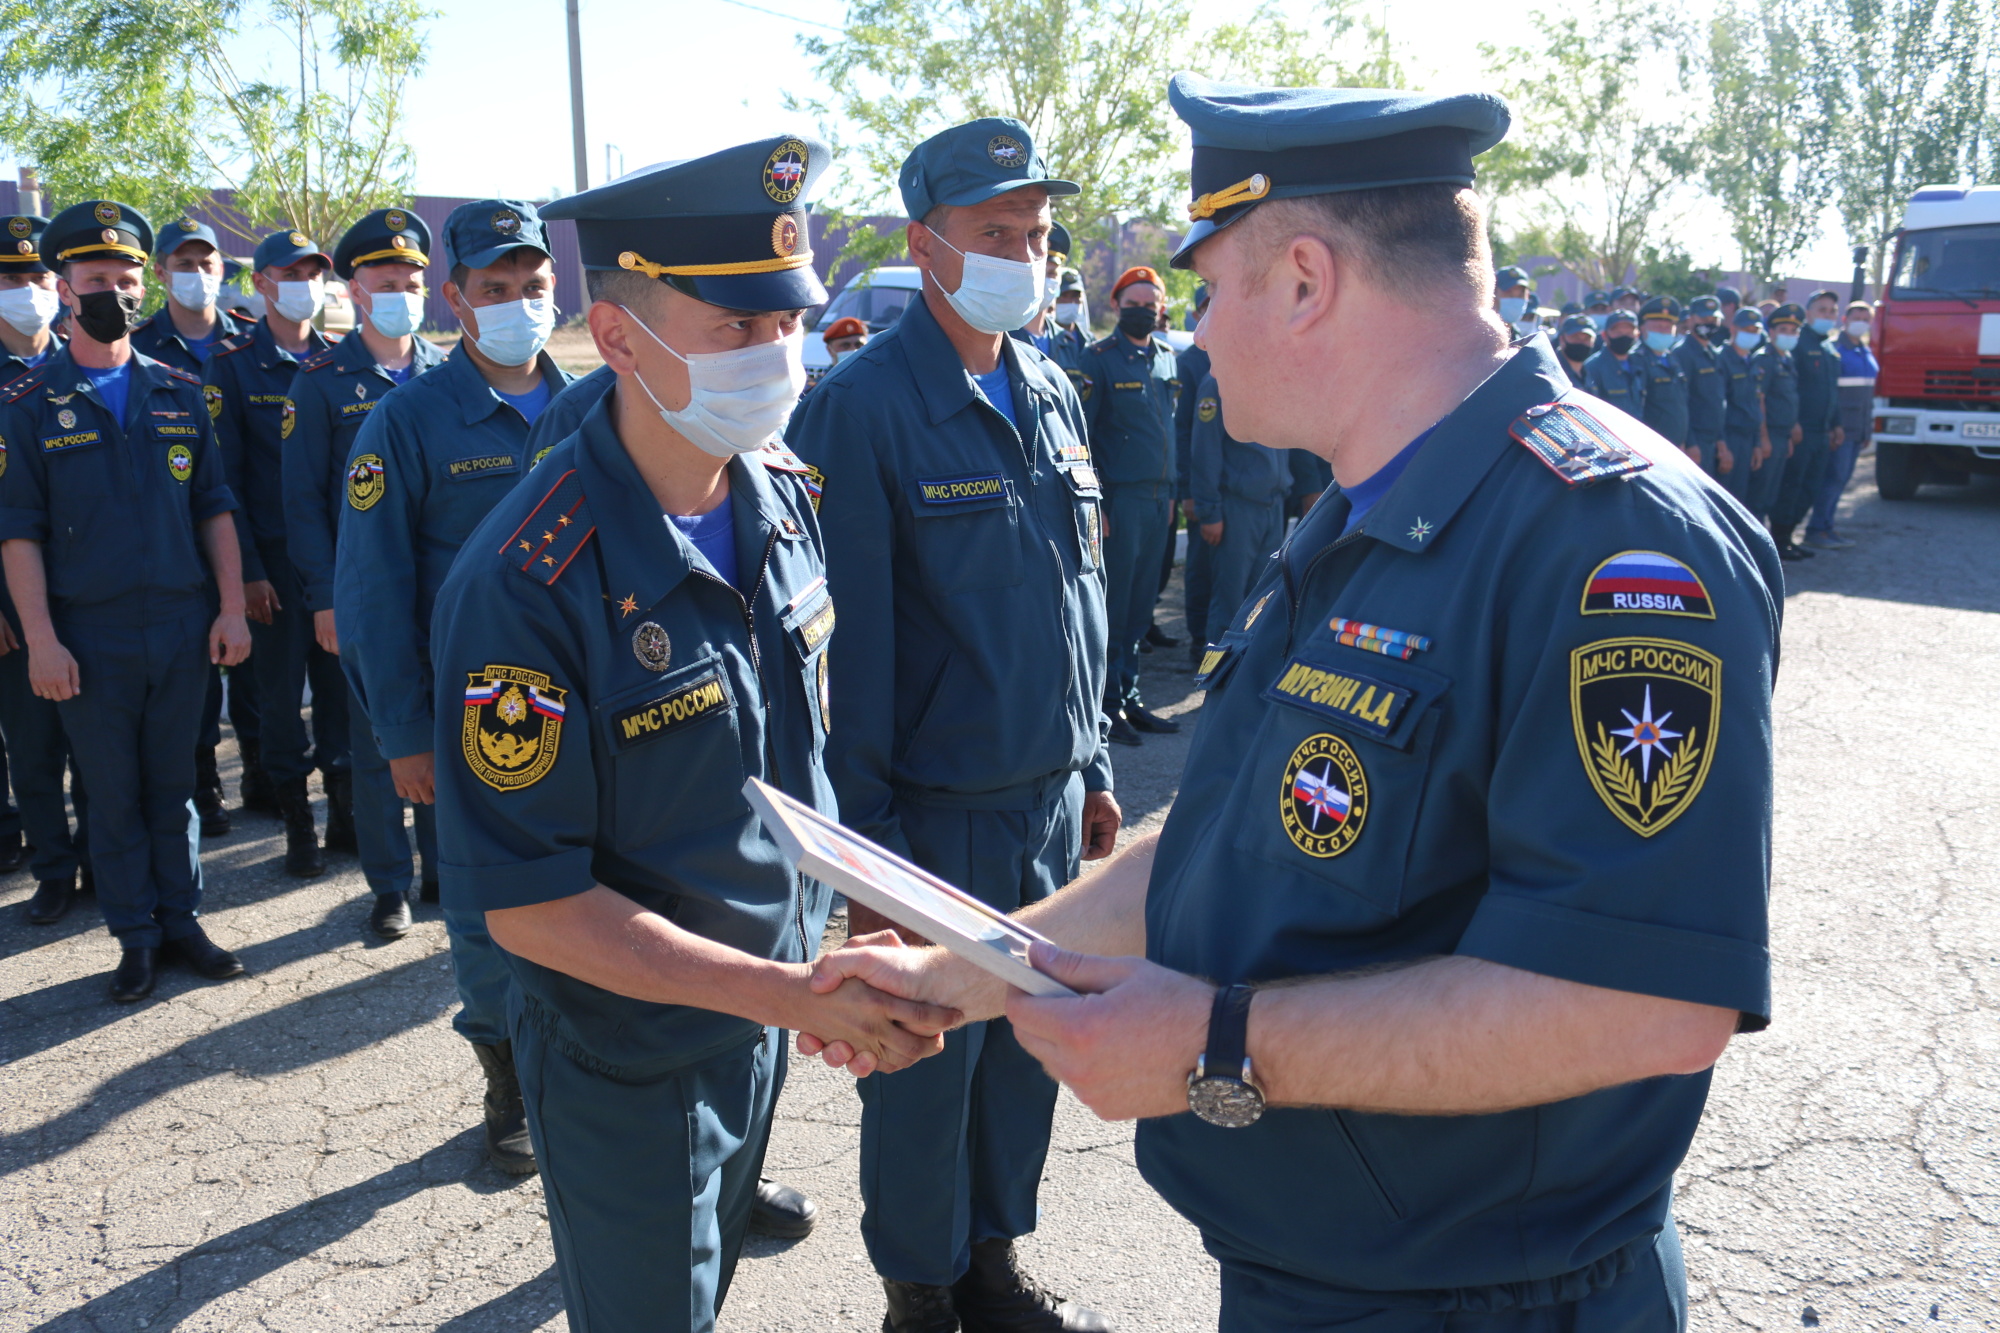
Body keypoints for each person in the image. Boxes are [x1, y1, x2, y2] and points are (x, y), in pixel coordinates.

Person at [802, 73, 1780, 1333]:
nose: (1192, 332)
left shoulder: (1610, 544)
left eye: (1210, 288)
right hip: (1320, 1276)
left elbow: (1650, 1001)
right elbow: (1221, 847)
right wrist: (964, 970)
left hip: (1485, 1300)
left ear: (1306, 279)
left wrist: (1219, 1045)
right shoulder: (1362, 513)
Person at [432, 135, 953, 1333]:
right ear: (618, 338)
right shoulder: (526, 580)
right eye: (735, 330)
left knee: (703, 1293)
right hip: (632, 1050)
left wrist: (860, 915)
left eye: (786, 323)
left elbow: (798, 758)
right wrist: (788, 993)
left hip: (763, 1018)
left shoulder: (777, 498)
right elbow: (531, 903)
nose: (777, 356)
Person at [785, 116, 1119, 1333]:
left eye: (1033, 234)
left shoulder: (1048, 387)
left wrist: (1089, 761)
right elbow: (846, 654)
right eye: (994, 233)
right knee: (923, 1068)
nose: (1022, 256)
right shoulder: (862, 405)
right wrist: (861, 857)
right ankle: (918, 1291)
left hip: (1039, 798)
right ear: (926, 245)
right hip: (927, 815)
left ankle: (992, 1264)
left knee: (1022, 1055)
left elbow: (1075, 600)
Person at [337, 200, 571, 1179]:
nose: (517, 304)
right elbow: (372, 585)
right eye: (495, 290)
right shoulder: (408, 419)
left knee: (606, 901)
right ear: (456, 299)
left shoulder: (596, 403)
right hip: (482, 723)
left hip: (598, 715)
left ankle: (596, 1082)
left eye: (533, 287)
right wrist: (402, 731)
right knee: (488, 916)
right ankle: (507, 1078)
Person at [0, 200, 254, 1002]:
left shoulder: (180, 389)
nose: (114, 289)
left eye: (126, 277)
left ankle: (182, 920)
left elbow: (215, 506)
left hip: (181, 626)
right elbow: (20, 535)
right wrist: (40, 638)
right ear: (66, 289)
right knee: (109, 792)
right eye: (96, 277)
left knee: (173, 784)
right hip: (90, 632)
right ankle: (136, 937)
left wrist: (231, 606)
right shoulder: (30, 405)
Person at [282, 209, 446, 898]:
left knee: (447, 732)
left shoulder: (447, 373)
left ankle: (445, 873)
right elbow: (303, 503)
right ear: (355, 290)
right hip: (367, 596)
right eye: (388, 280)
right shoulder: (319, 381)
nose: (404, 291)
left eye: (413, 279)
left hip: (440, 591)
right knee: (380, 740)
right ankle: (388, 887)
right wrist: (325, 596)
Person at [207, 229, 356, 875]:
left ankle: (345, 818)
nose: (304, 287)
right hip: (270, 570)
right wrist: (247, 576)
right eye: (289, 275)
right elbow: (224, 484)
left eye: (313, 274)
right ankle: (298, 822)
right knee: (278, 704)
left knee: (340, 695)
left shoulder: (336, 361)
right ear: (262, 283)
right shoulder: (233, 364)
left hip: (332, 565)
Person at [131, 216, 264, 838]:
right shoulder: (142, 345)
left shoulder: (248, 340)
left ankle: (265, 774)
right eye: (183, 264)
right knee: (197, 673)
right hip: (178, 537)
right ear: (159, 272)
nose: (198, 275)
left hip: (249, 531)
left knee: (260, 667)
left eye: (207, 264)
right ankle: (203, 778)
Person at [0, 212, 90, 919]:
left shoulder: (80, 362)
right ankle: (53, 867)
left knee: (98, 740)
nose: (27, 289)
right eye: (11, 278)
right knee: (32, 745)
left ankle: (100, 854)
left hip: (93, 591)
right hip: (12, 602)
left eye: (36, 277)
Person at [1077, 263, 1183, 744]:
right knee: (1115, 606)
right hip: (1118, 501)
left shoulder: (1164, 358)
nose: (1142, 312)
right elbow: (1083, 436)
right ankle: (1106, 704)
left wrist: (1172, 496)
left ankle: (1131, 695)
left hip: (1159, 498)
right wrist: (1095, 502)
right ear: (1116, 305)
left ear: (1160, 310)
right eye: (1133, 304)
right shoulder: (1097, 358)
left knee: (1143, 606)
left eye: (1150, 306)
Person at [1187, 375, 1287, 648]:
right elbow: (1205, 450)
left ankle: (1242, 674)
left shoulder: (1276, 377)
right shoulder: (1218, 381)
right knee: (1229, 602)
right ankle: (1218, 676)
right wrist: (1209, 511)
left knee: (1262, 600)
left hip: (1271, 506)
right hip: (1238, 508)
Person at [1770, 290, 1843, 559]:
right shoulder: (1799, 345)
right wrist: (1794, 424)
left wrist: (1836, 423)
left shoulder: (1828, 347)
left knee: (1811, 487)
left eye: (1832, 311)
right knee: (1792, 486)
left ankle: (1789, 536)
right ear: (1809, 313)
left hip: (1822, 430)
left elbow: (1831, 392)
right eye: (1822, 310)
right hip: (1802, 431)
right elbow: (1791, 391)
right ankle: (1779, 538)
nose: (1827, 316)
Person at [1804, 302, 1875, 549]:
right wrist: (1836, 425)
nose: (1862, 321)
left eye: (1867, 318)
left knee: (1842, 479)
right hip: (1842, 427)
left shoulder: (1864, 350)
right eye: (1858, 316)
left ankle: (1827, 527)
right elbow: (1831, 394)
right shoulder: (1836, 349)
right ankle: (1816, 529)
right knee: (1833, 478)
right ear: (1845, 318)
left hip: (1859, 429)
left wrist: (1868, 429)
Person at [1175, 284, 1215, 667]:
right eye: (1205, 306)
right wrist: (1188, 489)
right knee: (1202, 570)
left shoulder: (1238, 349)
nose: (1211, 311)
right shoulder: (1189, 362)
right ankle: (1198, 642)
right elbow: (1184, 431)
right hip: (1202, 487)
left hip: (1234, 489)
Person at [1748, 303, 1802, 535]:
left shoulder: (1786, 359)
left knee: (1772, 494)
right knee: (1759, 497)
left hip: (1782, 434)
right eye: (1783, 330)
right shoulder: (1765, 359)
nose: (1788, 335)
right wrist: (1764, 438)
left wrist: (1789, 433)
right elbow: (1759, 400)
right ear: (1771, 332)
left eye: (1793, 331)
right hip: (1769, 434)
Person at [1717, 306, 1770, 506]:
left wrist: (1757, 442)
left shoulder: (1752, 361)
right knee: (1727, 499)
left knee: (1744, 498)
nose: (1751, 335)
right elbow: (1718, 406)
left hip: (1748, 438)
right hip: (1730, 437)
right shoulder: (1722, 358)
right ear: (1733, 329)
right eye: (1746, 329)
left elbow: (1755, 404)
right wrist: (1723, 446)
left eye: (1755, 331)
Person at [1674, 296, 1728, 477]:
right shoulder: (1682, 353)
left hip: (1713, 439)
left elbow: (1717, 399)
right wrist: (1690, 442)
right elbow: (1682, 403)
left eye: (1714, 320)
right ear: (1690, 320)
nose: (1710, 324)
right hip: (1696, 439)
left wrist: (1721, 441)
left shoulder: (1714, 352)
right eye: (1704, 319)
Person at [1636, 296, 1691, 458]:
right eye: (1658, 327)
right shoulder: (1637, 360)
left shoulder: (1672, 358)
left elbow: (1682, 404)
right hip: (1652, 448)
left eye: (1668, 328)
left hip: (1676, 445)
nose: (1663, 331)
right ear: (1643, 329)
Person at [1015, 220, 1071, 357]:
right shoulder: (1000, 337)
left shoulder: (1069, 342)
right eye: (1040, 272)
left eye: (1052, 273)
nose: (1045, 280)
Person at [1581, 308, 1645, 415]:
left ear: (1637, 335)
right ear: (1604, 335)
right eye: (1618, 332)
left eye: (1629, 333)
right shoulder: (1592, 367)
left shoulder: (1640, 363)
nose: (1624, 337)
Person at [1046, 269, 1089, 374]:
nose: (1071, 302)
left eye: (1075, 296)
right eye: (1064, 296)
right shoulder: (1045, 339)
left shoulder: (1089, 340)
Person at [1555, 312, 1594, 387]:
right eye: (1575, 337)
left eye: (1587, 338)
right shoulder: (1552, 370)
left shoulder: (1590, 371)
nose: (1581, 342)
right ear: (1562, 339)